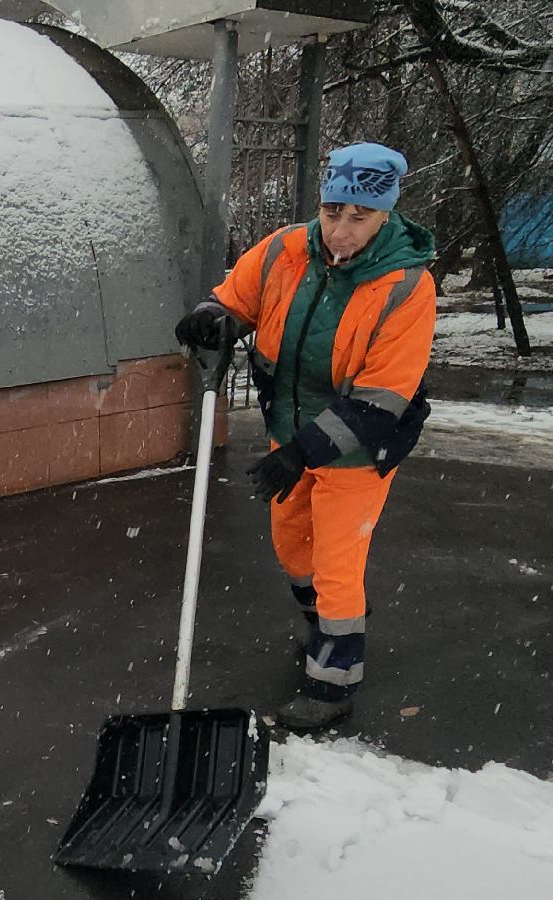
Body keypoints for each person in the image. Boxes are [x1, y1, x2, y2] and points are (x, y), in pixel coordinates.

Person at [174, 142, 437, 730]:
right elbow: (235, 300)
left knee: (337, 562)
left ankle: (333, 682)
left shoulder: (406, 286)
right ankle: (320, 630)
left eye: (359, 217)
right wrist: (211, 317)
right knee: (293, 546)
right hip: (287, 430)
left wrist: (306, 451)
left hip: (362, 444)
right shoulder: (283, 251)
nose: (341, 230)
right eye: (332, 212)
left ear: (386, 214)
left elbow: (382, 397)